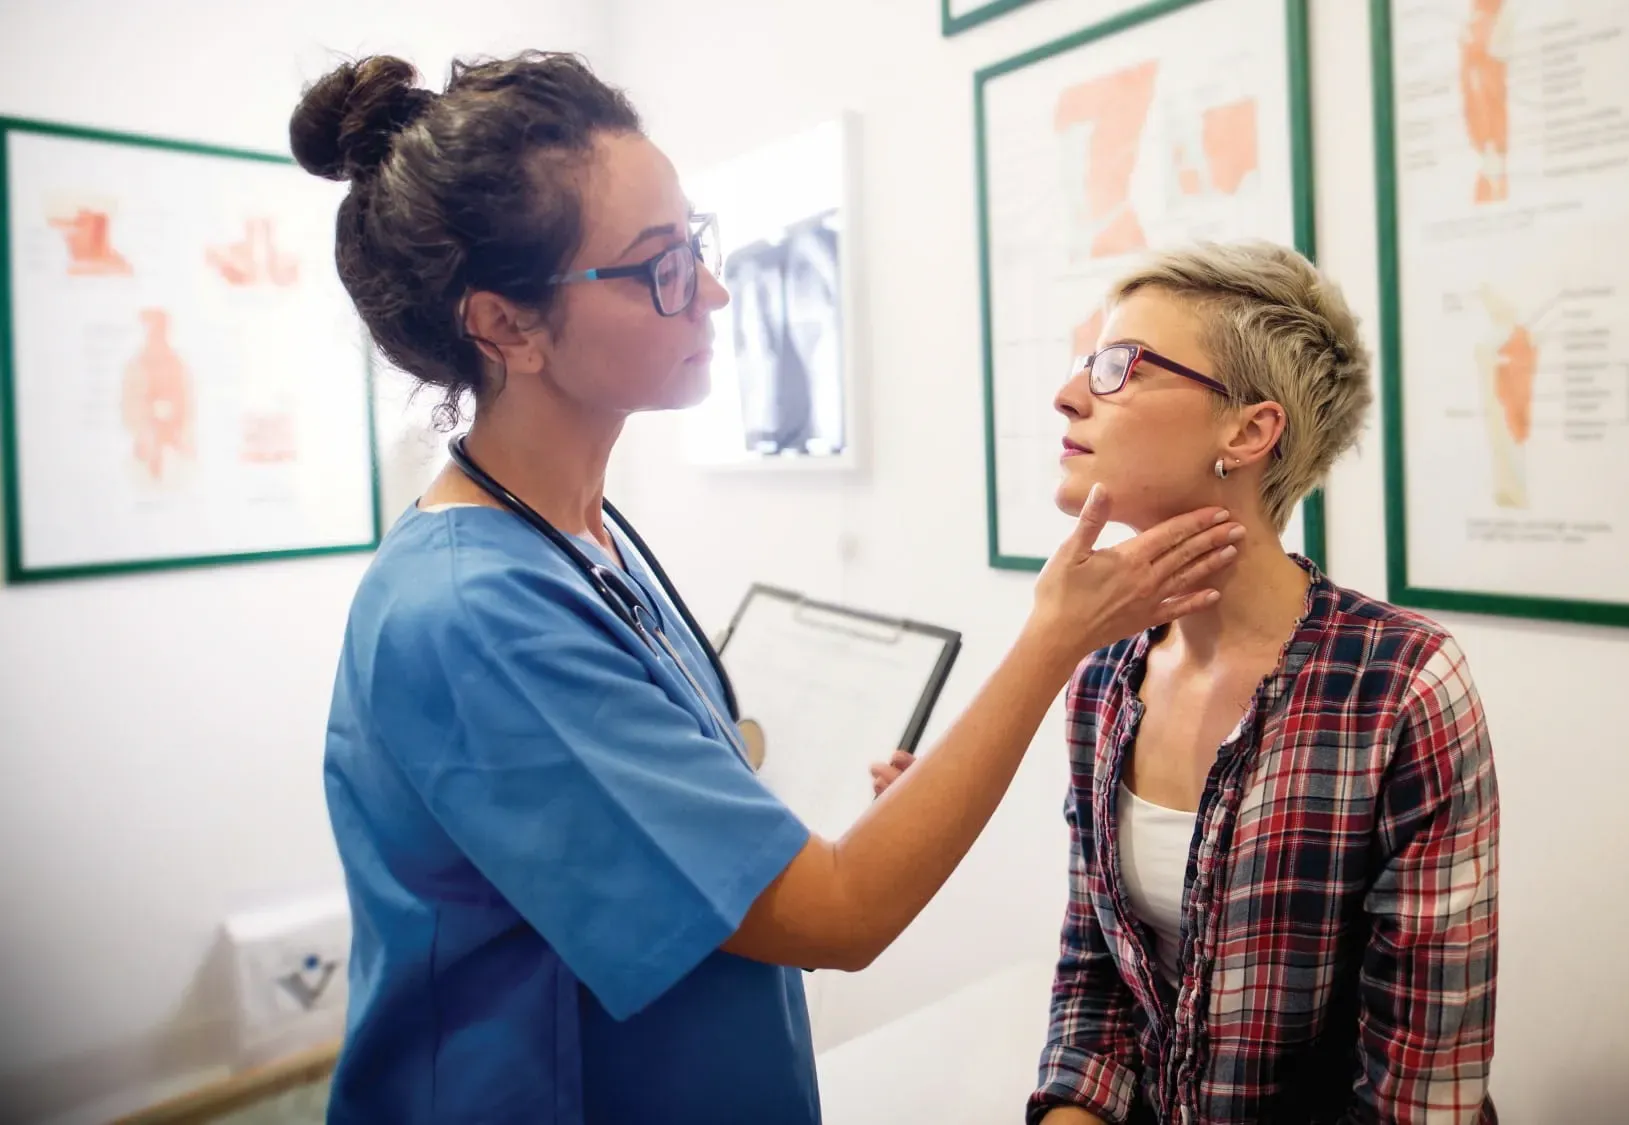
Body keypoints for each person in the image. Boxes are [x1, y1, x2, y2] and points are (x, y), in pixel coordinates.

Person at [301, 52, 1247, 1124]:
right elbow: (834, 917)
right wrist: (1054, 638)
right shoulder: (472, 616)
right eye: (659, 267)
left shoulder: (578, 535)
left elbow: (695, 809)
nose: (711, 289)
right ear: (504, 327)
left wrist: (889, 803)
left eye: (695, 243)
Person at [875, 241, 1500, 1123]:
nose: (1068, 392)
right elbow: (1095, 982)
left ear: (1248, 430)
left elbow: (1421, 1087)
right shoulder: (1104, 673)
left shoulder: (1402, 685)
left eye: (1119, 365)